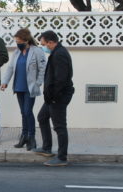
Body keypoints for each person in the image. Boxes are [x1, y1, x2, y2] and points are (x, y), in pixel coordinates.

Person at [0, 28, 46, 151]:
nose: (17, 44)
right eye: (16, 41)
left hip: (30, 87)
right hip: (19, 86)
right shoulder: (16, 53)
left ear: (26, 40)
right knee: (23, 113)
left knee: (27, 112)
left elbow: (42, 69)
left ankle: (31, 137)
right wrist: (5, 82)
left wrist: (38, 83)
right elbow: (10, 68)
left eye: (19, 41)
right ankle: (24, 136)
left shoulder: (37, 51)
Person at [34, 30, 74, 166]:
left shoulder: (60, 54)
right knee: (42, 117)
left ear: (51, 42)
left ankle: (62, 157)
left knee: (60, 126)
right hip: (52, 96)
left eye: (43, 44)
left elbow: (61, 80)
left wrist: (54, 97)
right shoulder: (56, 52)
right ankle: (46, 148)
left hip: (58, 97)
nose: (43, 46)